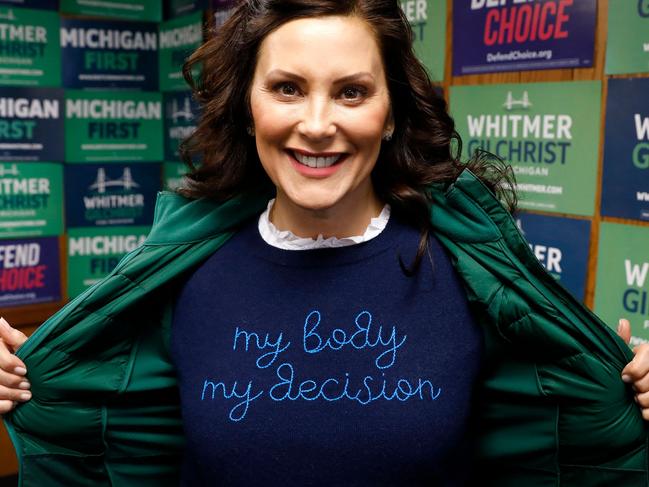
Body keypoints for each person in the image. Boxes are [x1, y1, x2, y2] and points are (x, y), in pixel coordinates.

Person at [1, 1, 649, 485]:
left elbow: (569, 429)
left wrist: (633, 391)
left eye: (351, 92)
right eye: (287, 88)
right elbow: (100, 430)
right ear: (248, 105)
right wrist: (18, 379)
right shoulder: (181, 277)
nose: (316, 125)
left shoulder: (467, 270)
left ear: (390, 110)